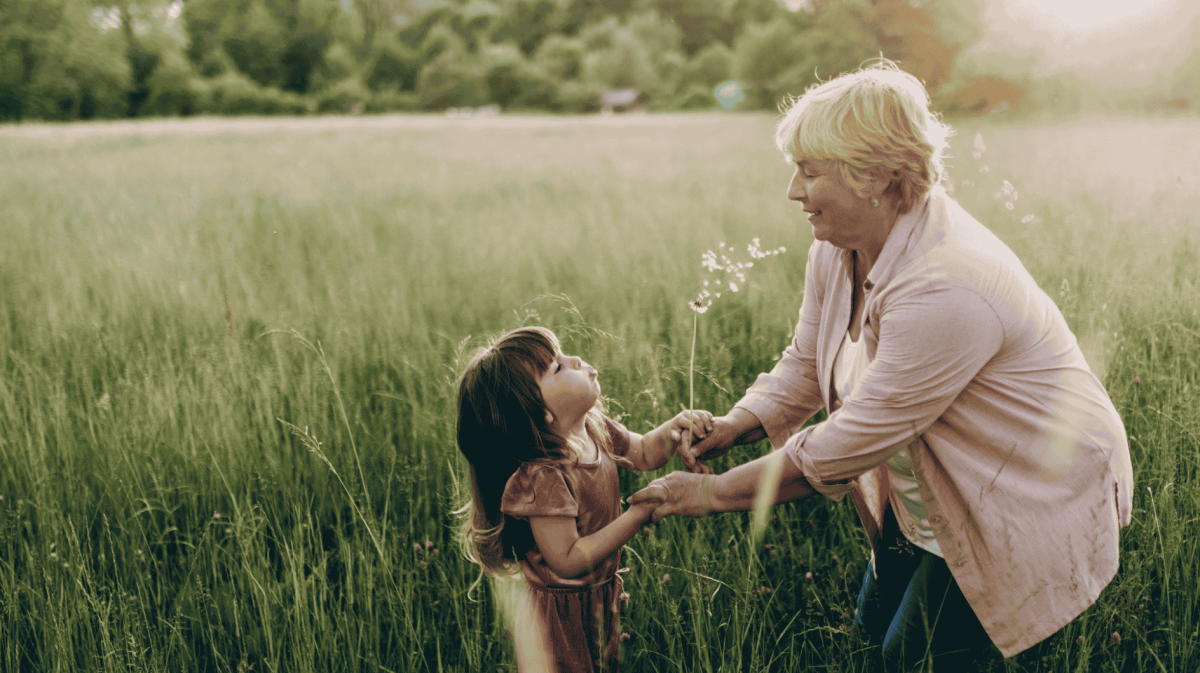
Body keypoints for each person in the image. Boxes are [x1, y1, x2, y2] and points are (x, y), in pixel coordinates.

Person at [629, 61, 1134, 670]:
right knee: (874, 632)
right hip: (931, 493)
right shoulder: (839, 248)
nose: (794, 190)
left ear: (872, 174)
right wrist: (737, 425)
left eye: (809, 171)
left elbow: (845, 445)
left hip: (1021, 493)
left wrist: (708, 495)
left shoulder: (947, 285)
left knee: (912, 660)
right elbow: (804, 363)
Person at [456, 325, 713, 672]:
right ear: (540, 413)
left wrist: (674, 429)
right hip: (557, 616)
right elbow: (568, 559)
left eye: (563, 355)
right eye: (558, 367)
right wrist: (637, 515)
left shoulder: (593, 428)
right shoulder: (545, 476)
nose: (575, 359)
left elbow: (641, 452)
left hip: (597, 594)